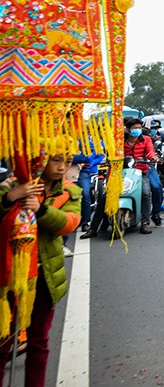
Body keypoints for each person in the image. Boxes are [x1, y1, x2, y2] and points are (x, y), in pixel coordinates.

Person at [0, 134, 82, 387]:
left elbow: (68, 223)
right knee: (2, 343)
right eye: (56, 160)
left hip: (45, 279)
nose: (62, 167)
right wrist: (13, 197)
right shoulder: (10, 185)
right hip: (9, 277)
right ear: (41, 158)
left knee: (39, 342)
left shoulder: (71, 192)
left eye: (67, 161)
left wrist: (41, 209)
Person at [122, 117, 158, 234]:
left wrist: (152, 157)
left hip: (140, 172)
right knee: (106, 194)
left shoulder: (146, 139)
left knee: (146, 193)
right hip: (123, 173)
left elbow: (150, 151)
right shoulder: (120, 140)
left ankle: (145, 222)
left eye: (139, 128)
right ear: (127, 130)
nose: (138, 130)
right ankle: (96, 225)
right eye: (135, 128)